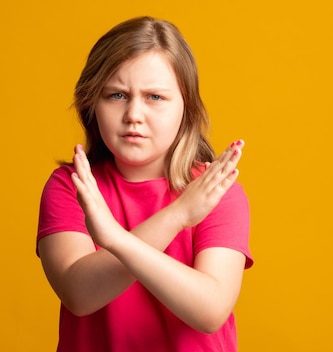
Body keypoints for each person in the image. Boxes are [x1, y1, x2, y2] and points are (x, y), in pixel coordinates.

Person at [36, 16, 253, 352]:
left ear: (186, 107)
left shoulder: (215, 191)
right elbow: (79, 295)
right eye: (117, 95)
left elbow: (210, 310)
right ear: (92, 103)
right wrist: (177, 217)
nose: (134, 114)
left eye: (154, 97)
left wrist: (116, 241)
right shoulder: (71, 187)